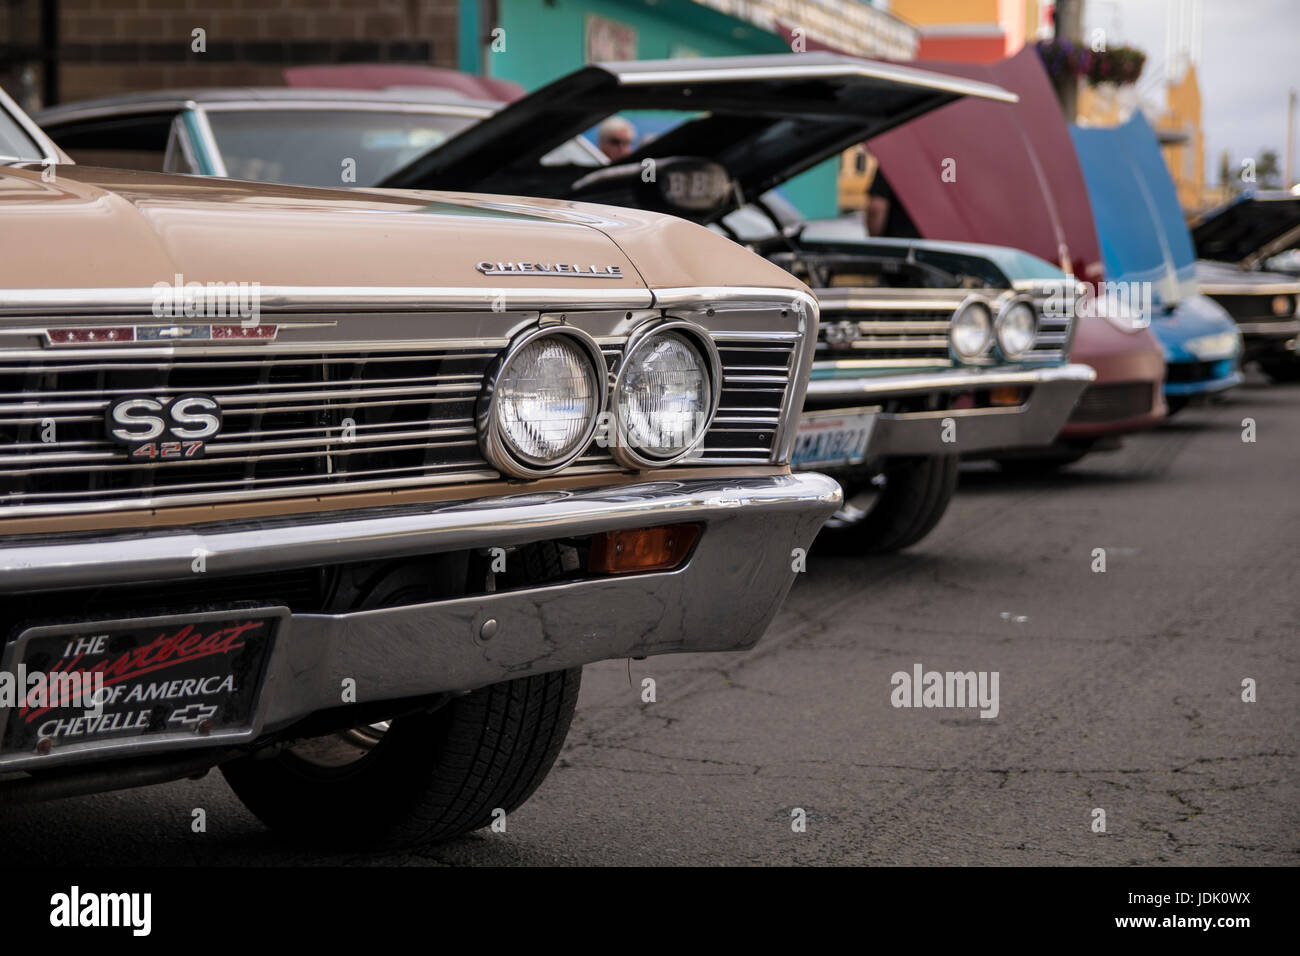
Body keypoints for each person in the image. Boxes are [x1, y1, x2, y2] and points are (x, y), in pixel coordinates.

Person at [865, 168, 920, 238]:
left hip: (895, 242)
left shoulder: (891, 165)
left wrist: (874, 240)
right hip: (932, 244)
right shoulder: (933, 163)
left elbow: (876, 208)